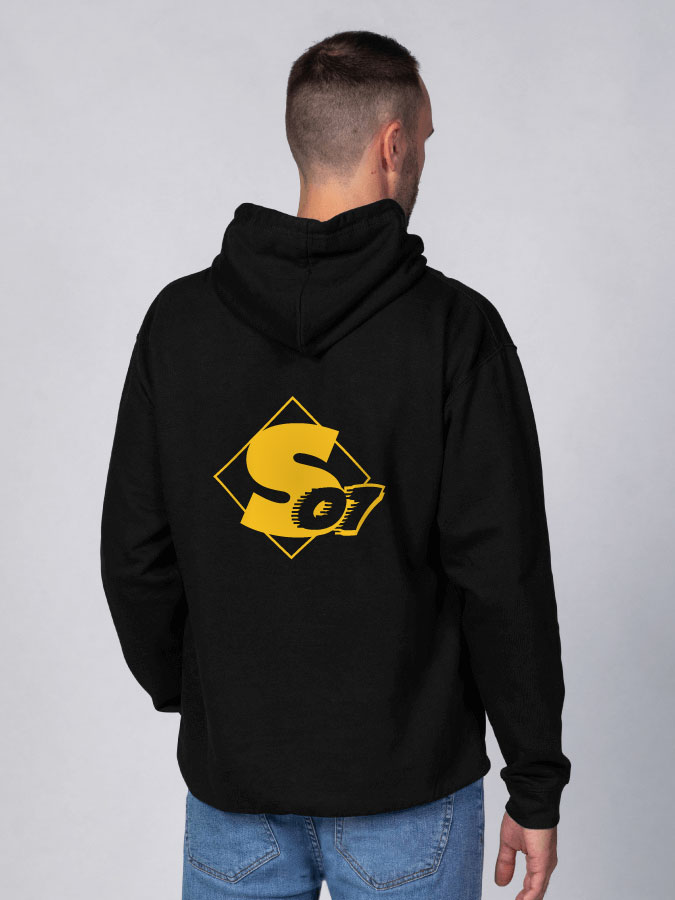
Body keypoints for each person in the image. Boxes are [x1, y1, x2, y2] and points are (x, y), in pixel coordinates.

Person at [101, 30, 570, 900]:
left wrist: (214, 699)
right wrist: (534, 780)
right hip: (409, 791)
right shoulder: (452, 330)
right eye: (423, 139)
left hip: (234, 790)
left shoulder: (178, 323)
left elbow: (134, 559)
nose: (422, 157)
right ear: (392, 145)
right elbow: (502, 574)